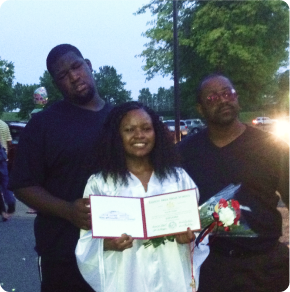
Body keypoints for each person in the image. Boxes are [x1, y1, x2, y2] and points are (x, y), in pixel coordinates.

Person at [8, 44, 112, 292]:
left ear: (88, 64)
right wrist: (67, 210)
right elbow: (22, 184)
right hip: (64, 253)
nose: (74, 77)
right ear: (56, 85)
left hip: (118, 249)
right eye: (63, 76)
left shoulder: (122, 118)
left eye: (76, 67)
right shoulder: (43, 124)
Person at [75, 101, 209, 292]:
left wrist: (190, 237)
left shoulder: (177, 178)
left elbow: (199, 230)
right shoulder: (101, 183)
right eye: (129, 129)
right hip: (125, 278)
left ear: (156, 133)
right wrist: (107, 243)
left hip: (172, 277)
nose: (139, 135)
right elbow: (87, 240)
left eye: (146, 128)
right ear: (117, 136)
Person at [177, 73, 290, 292]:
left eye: (228, 93)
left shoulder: (272, 147)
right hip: (209, 267)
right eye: (212, 98)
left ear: (236, 98)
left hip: (265, 266)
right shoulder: (185, 152)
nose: (222, 100)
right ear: (200, 108)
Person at [0, 119, 16, 219]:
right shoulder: (4, 125)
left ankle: (2, 211)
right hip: (3, 158)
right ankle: (11, 204)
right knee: (5, 183)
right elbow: (9, 143)